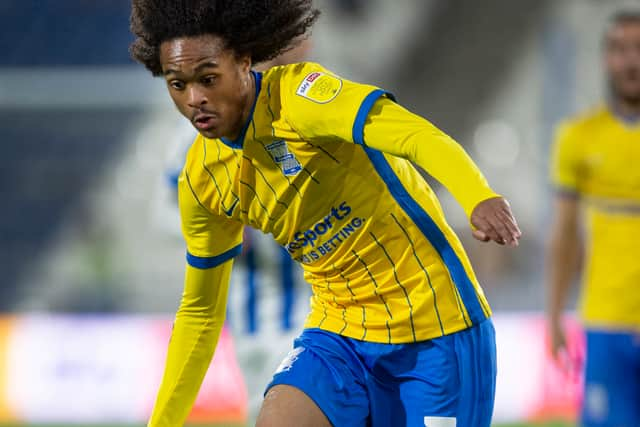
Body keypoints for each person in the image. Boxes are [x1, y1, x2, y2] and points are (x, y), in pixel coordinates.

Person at [129, 1, 521, 426]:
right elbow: (201, 312)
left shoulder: (301, 98)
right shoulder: (202, 178)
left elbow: (412, 134)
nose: (195, 100)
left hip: (435, 329)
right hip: (339, 335)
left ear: (244, 62)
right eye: (177, 85)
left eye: (208, 78)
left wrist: (477, 195)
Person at [546, 11, 640, 427]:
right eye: (620, 49)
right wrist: (553, 315)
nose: (631, 61)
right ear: (606, 59)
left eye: (639, 48)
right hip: (606, 322)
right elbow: (565, 235)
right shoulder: (578, 137)